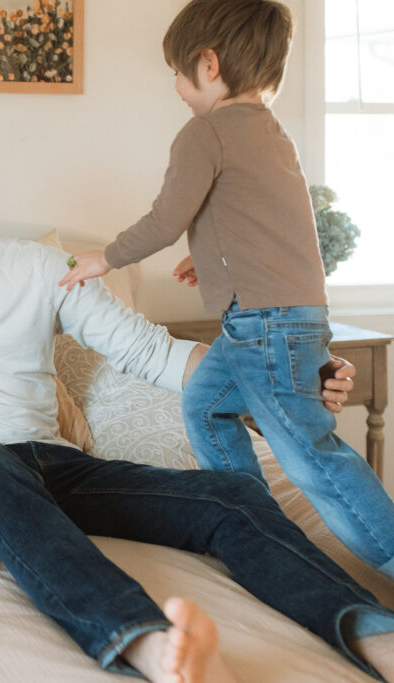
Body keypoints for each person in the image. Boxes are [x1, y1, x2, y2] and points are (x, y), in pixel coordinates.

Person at [0, 123, 394, 683]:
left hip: (50, 461)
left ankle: (374, 635)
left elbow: (147, 349)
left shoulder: (39, 268)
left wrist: (289, 378)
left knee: (232, 496)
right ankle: (148, 644)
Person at [57, 0, 394, 581]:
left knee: (311, 455)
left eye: (178, 72)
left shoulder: (204, 131)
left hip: (263, 325)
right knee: (205, 406)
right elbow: (271, 221)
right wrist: (210, 259)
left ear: (207, 65)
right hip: (279, 318)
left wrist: (104, 258)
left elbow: (165, 218)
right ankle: (256, 529)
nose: (177, 87)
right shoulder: (271, 133)